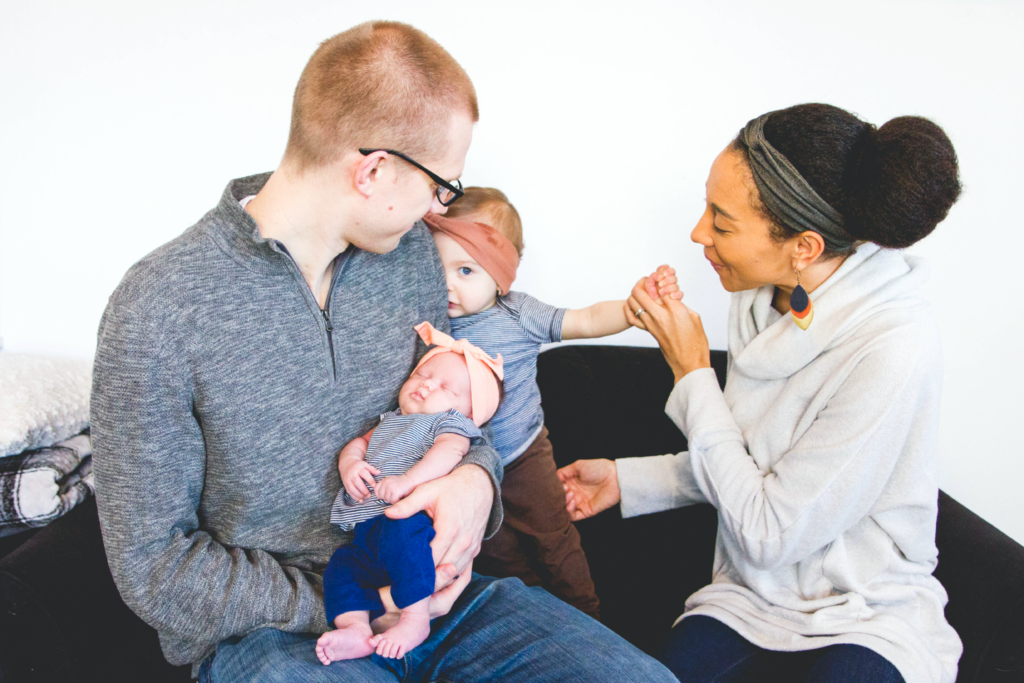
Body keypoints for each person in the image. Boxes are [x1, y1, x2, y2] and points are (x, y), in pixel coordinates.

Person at [91, 20, 676, 683]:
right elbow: (154, 566)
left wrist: (476, 483)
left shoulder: (409, 264)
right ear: (372, 171)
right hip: (280, 636)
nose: (439, 208)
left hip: (445, 605)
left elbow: (460, 420)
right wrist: (350, 602)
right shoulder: (160, 305)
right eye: (440, 187)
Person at [559, 103, 963, 683]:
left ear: (804, 247)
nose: (699, 233)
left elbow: (772, 532)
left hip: (867, 611)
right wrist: (631, 480)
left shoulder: (894, 346)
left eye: (721, 223)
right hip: (748, 598)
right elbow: (755, 464)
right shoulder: (759, 296)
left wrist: (693, 372)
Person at [423, 187, 680, 620]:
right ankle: (538, 617)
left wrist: (634, 306)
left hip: (525, 457)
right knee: (498, 556)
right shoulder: (427, 322)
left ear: (503, 274)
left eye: (466, 270)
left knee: (553, 539)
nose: (448, 283)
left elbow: (586, 318)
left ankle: (588, 616)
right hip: (466, 471)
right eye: (437, 266)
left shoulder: (518, 314)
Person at [317, 323, 503, 663]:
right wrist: (350, 464)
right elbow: (359, 444)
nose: (427, 384)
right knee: (342, 566)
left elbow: (449, 454)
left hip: (409, 521)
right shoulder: (391, 420)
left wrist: (408, 481)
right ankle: (357, 629)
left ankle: (415, 619)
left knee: (406, 545)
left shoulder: (450, 424)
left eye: (445, 386)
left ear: (470, 415)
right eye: (423, 374)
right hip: (366, 534)